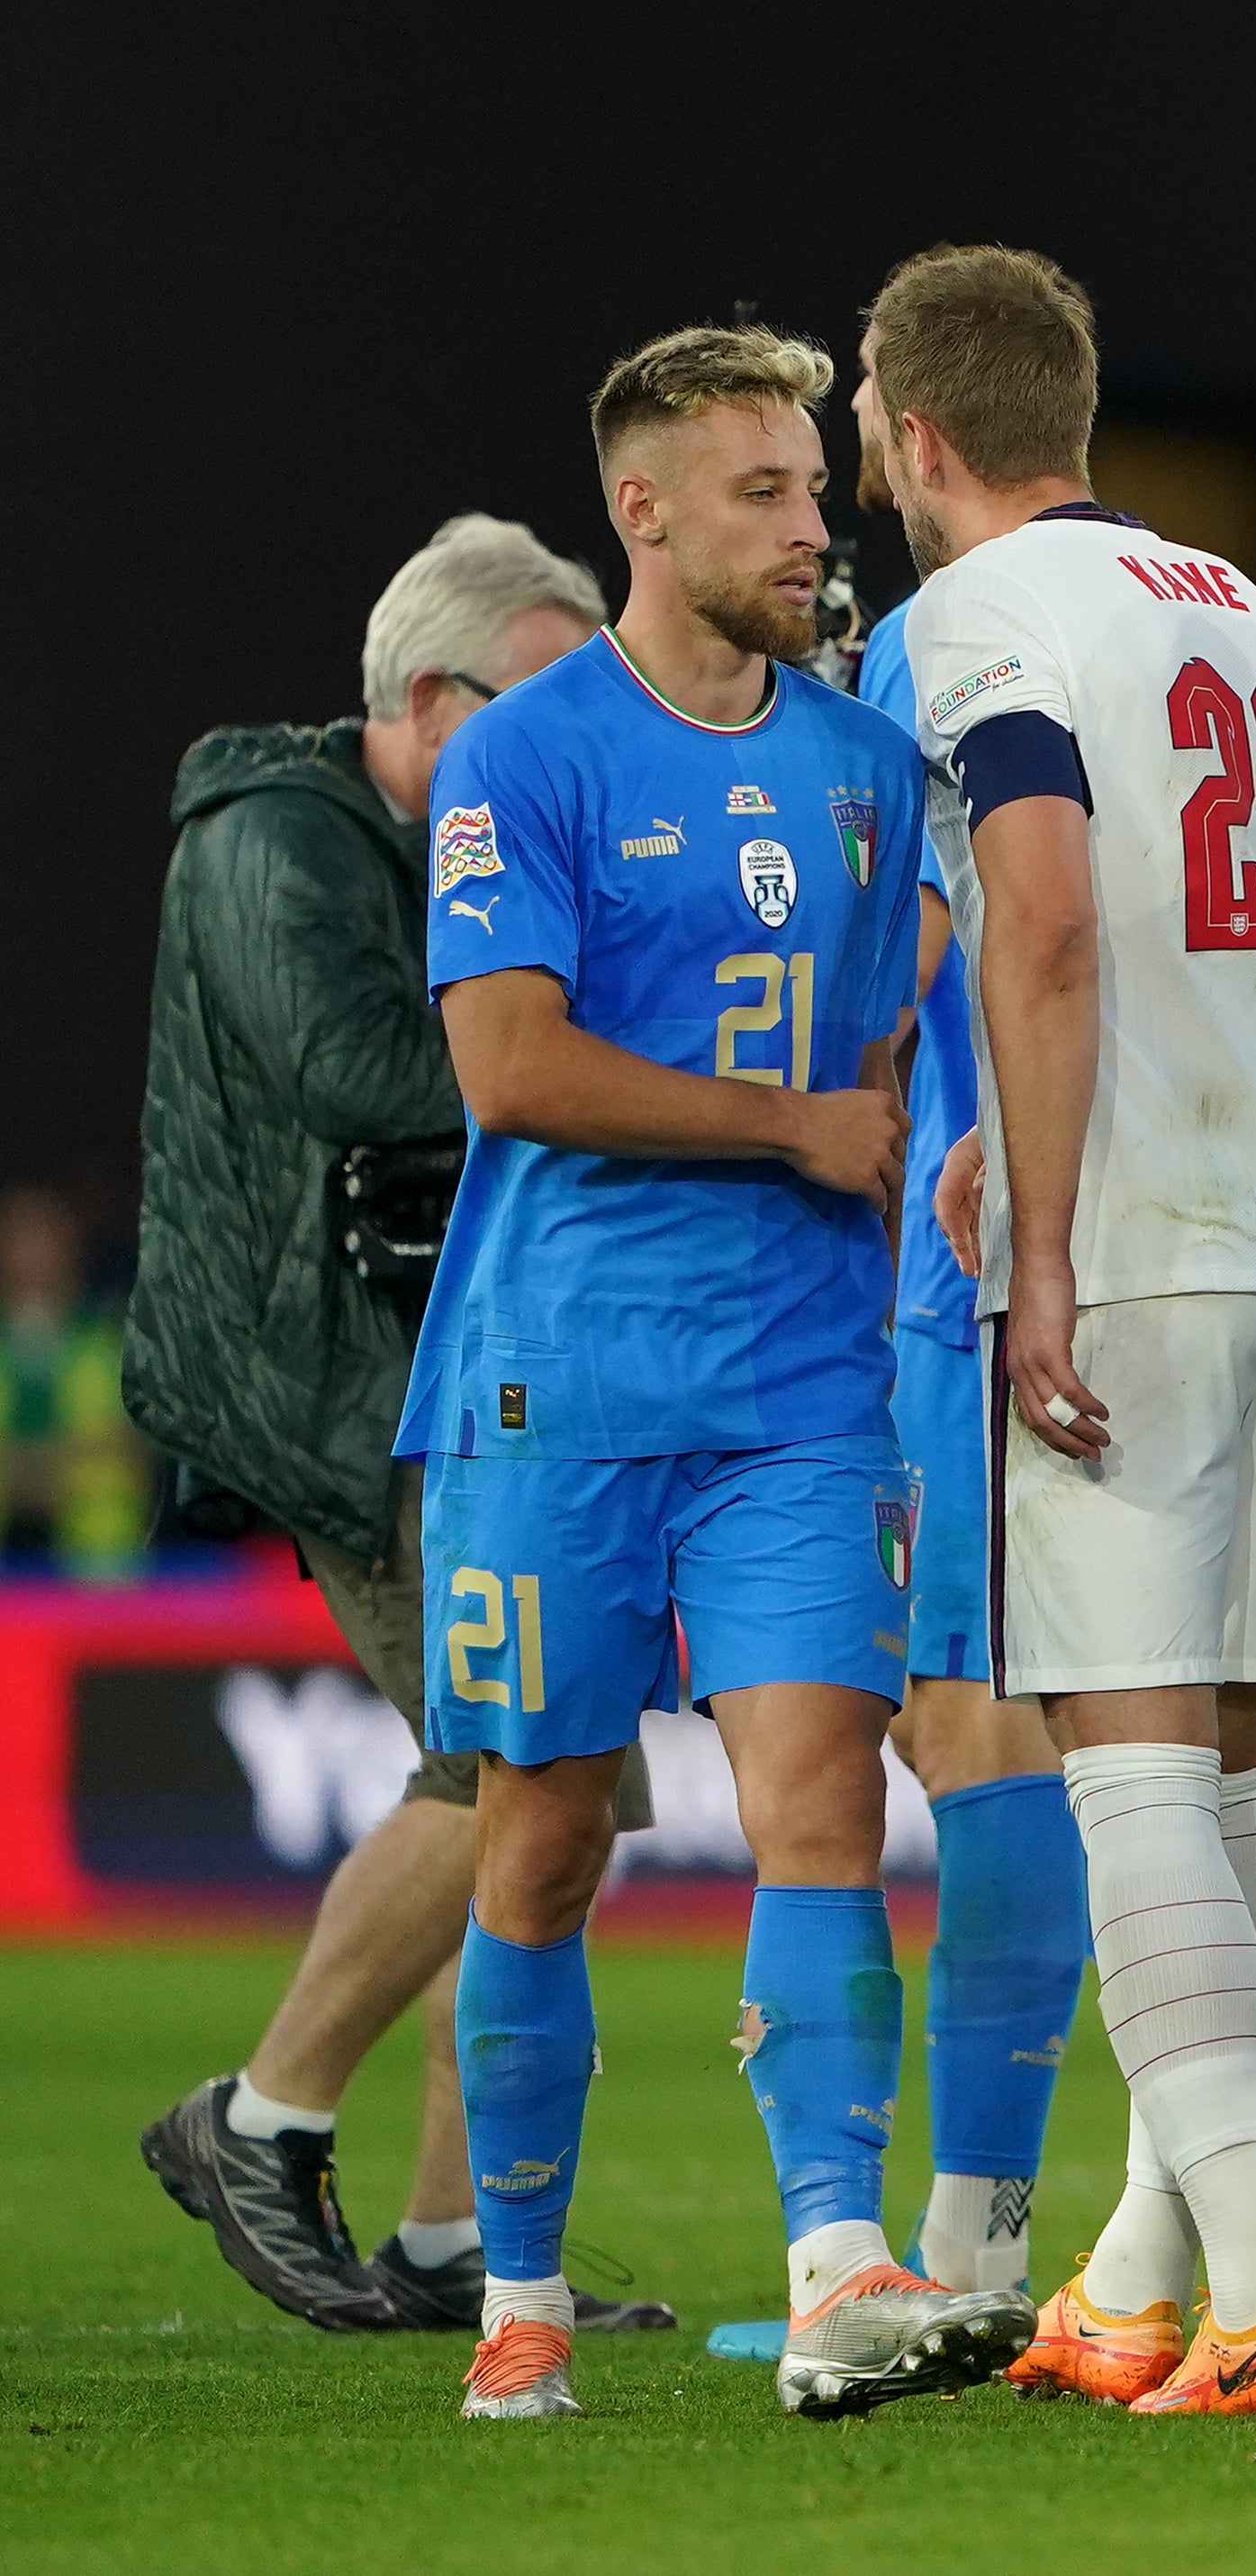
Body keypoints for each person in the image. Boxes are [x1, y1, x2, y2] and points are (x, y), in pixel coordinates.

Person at [412, 324, 1015, 2423]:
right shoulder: (524, 756)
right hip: (556, 1372)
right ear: (643, 513)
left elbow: (884, 1019)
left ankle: (838, 2257)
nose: (805, 521)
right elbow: (508, 1062)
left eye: (810, 483)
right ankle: (518, 2287)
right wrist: (790, 1131)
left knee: (824, 1793)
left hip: (793, 1376)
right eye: (757, 490)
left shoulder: (860, 763)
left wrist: (894, 1134)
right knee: (547, 1836)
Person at [874, 241, 1256, 2419]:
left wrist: (1045, 1221)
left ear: (911, 432)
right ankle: (1132, 2284)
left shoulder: (979, 621)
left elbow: (1050, 913)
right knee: (1226, 1782)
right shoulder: (1243, 605)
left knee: (1128, 1761)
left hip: (1143, 1251)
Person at [123, 515, 671, 2341]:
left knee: (555, 1792)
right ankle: (258, 2117)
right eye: (543, 702)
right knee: (510, 1767)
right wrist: (594, 1041)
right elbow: (358, 1071)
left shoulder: (446, 832)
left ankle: (463, 2237)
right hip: (334, 1377)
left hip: (453, 1359)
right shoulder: (269, 838)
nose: (577, 742)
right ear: (435, 701)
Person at [0, 1192, 148, 1580]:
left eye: (44, 1240)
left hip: (96, 1565)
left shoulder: (109, 1342)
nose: (33, 1257)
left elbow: (133, 1449)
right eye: (20, 1241)